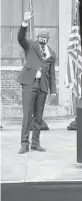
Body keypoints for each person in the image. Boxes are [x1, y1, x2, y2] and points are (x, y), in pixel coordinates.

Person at [17, 10, 57, 154]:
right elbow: (21, 38)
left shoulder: (52, 54)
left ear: (48, 38)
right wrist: (25, 22)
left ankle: (35, 143)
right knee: (28, 115)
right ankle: (24, 143)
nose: (43, 39)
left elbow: (52, 74)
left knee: (38, 117)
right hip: (29, 84)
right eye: (41, 36)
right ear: (38, 36)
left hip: (43, 87)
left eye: (46, 37)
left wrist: (53, 91)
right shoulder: (30, 46)